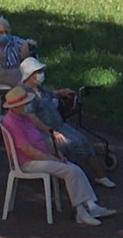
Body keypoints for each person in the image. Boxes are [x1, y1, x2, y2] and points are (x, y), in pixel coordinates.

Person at [0, 87, 115, 225]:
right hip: (27, 162)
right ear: (16, 106)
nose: (27, 105)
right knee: (70, 171)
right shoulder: (13, 123)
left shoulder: (25, 118)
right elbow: (29, 151)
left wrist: (57, 153)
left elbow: (40, 140)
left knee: (75, 169)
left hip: (40, 157)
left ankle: (92, 206)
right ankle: (80, 212)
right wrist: (53, 159)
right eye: (24, 103)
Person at [13, 57, 115, 187]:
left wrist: (61, 92)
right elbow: (32, 118)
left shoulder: (40, 88)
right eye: (38, 72)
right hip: (44, 132)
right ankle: (72, 179)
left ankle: (99, 175)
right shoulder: (26, 93)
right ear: (30, 75)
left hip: (59, 125)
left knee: (83, 140)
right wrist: (50, 132)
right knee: (70, 145)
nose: (41, 74)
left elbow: (51, 93)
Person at [0, 16, 36, 88]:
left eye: (6, 32)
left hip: (13, 75)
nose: (4, 35)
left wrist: (26, 44)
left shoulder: (14, 40)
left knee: (26, 83)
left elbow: (27, 43)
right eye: (1, 32)